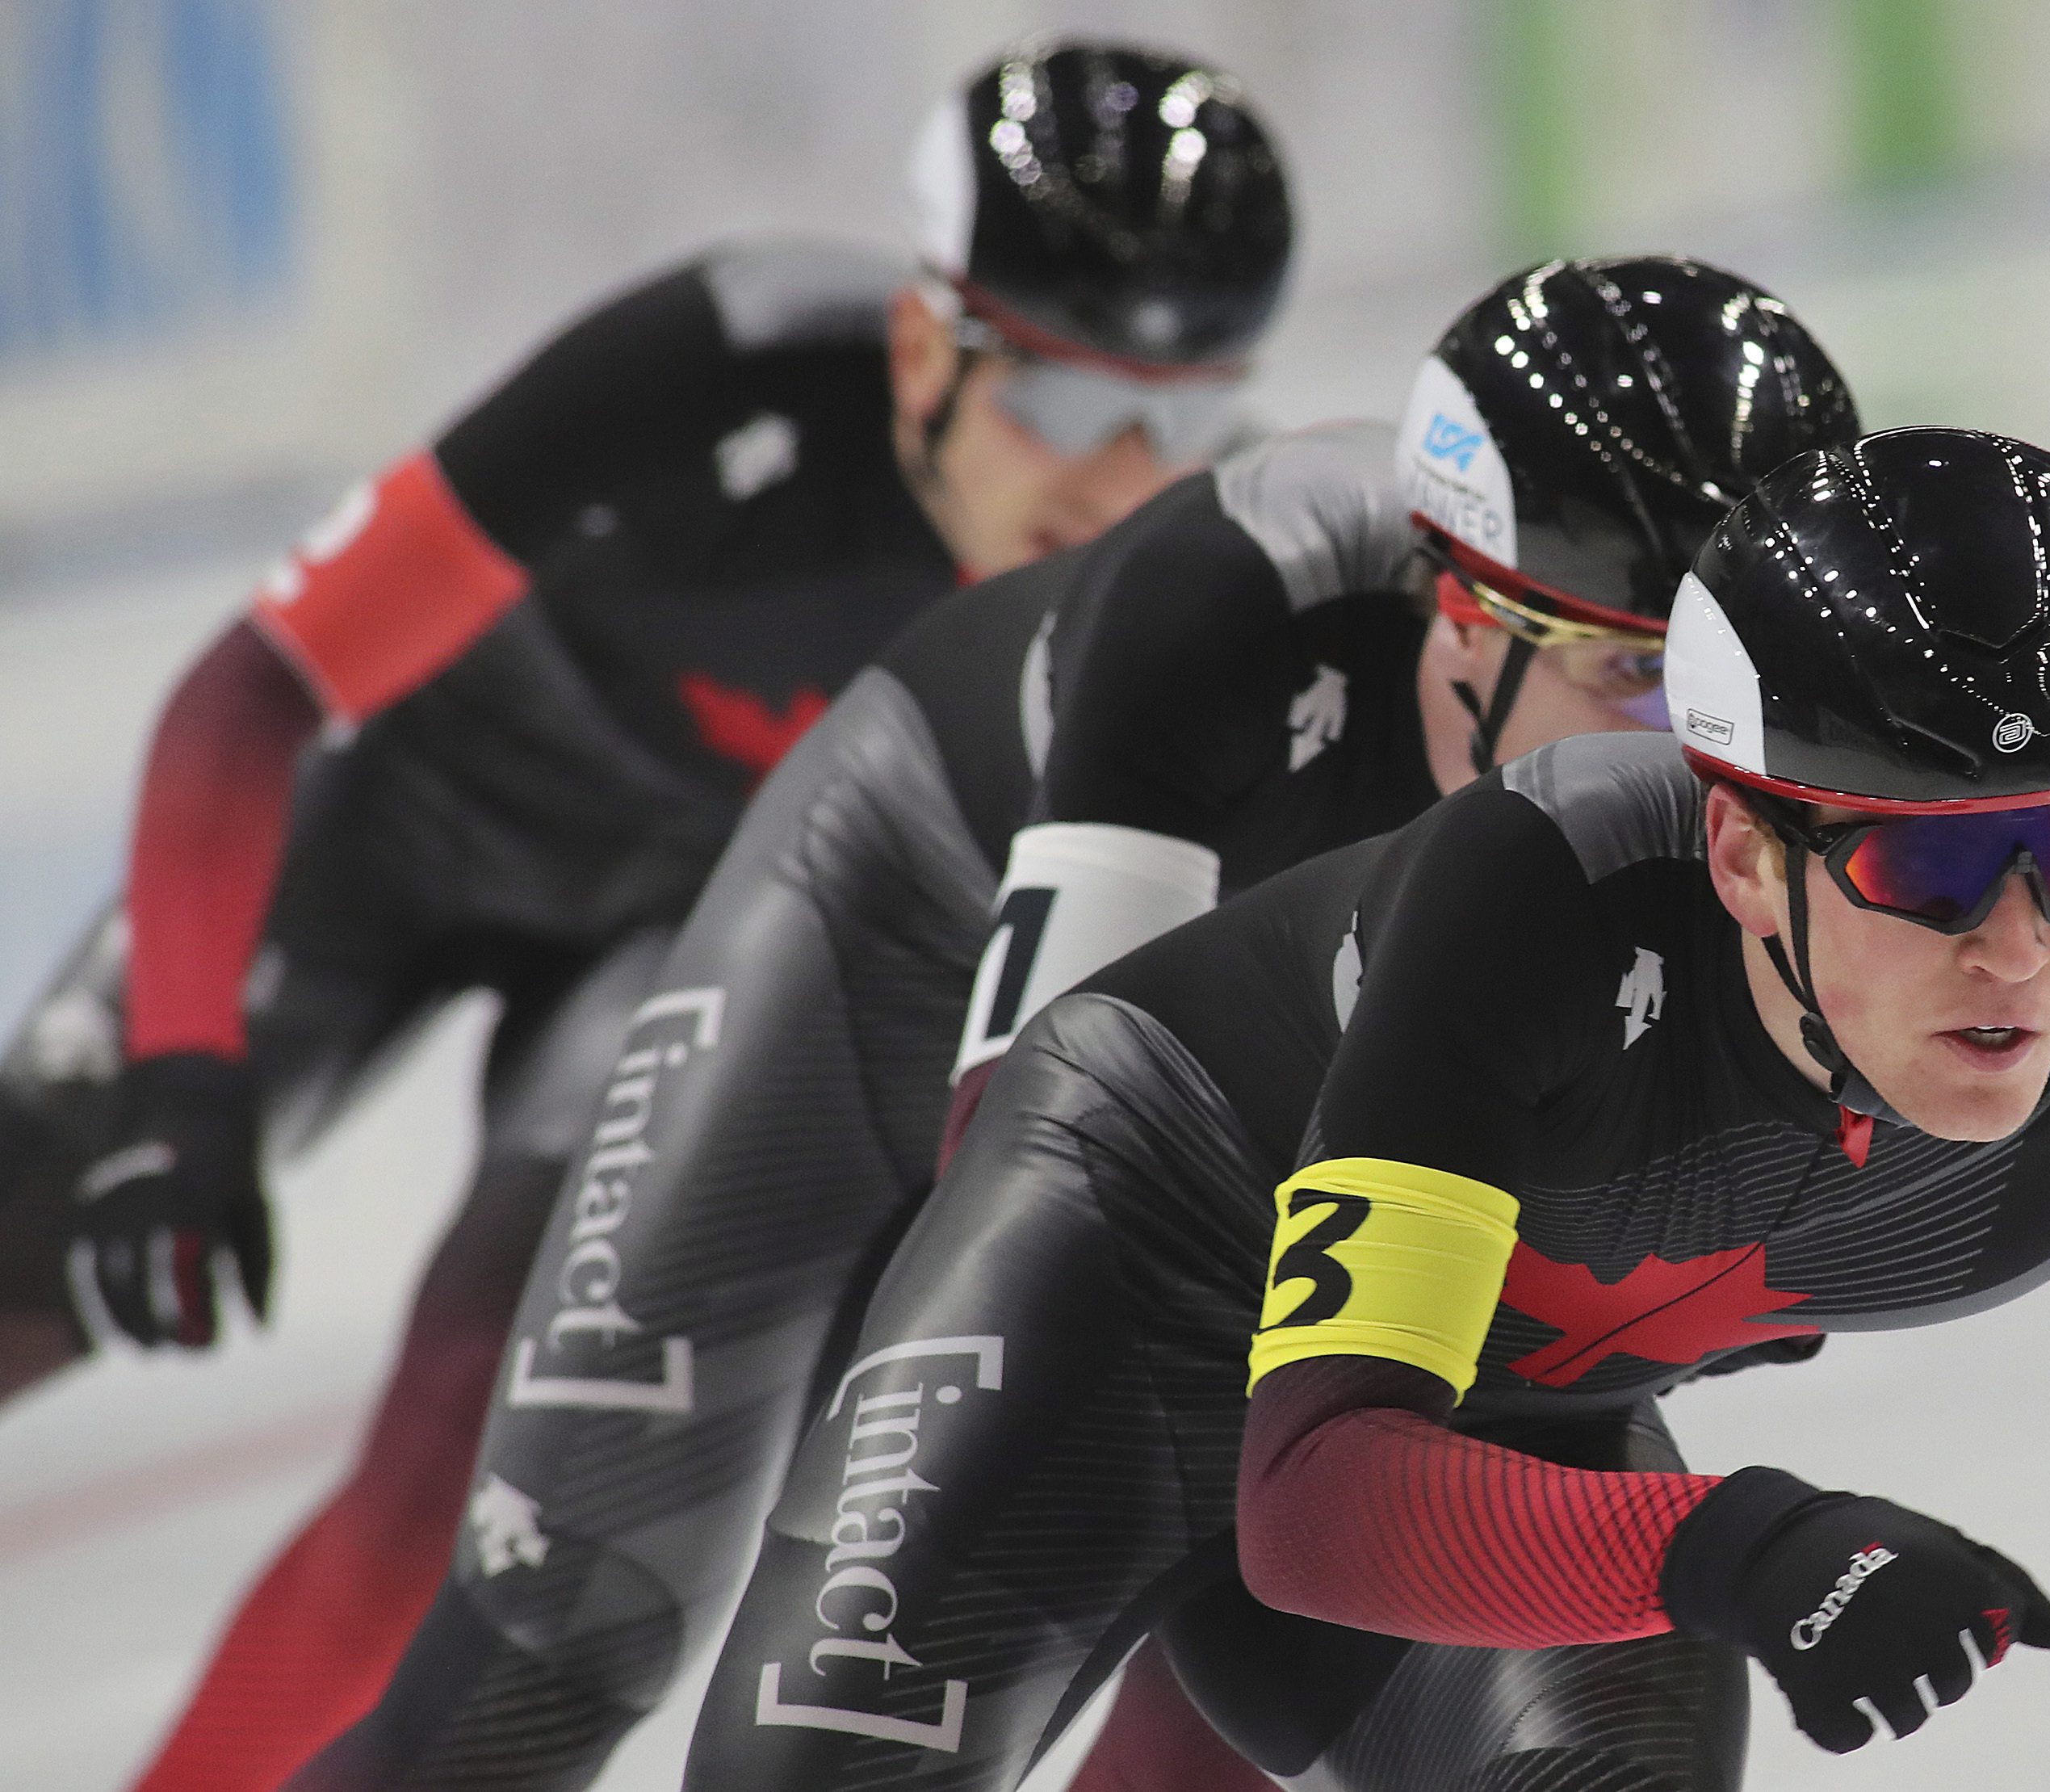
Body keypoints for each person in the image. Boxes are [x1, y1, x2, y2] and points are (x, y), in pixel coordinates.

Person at [285, 258, 1862, 1790]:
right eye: (1642, 679)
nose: (1706, 766)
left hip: (1222, 1118)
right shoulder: (1241, 594)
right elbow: (1035, 1170)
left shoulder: (1751, 826)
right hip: (890, 948)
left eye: (1754, 700)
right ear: (1458, 608)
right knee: (555, 1654)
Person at [0, 38, 1293, 1792]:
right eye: (1057, 404)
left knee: (471, 1447)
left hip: (682, 933)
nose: (1115, 474)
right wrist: (178, 1072)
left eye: (1188, 418)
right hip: (396, 822)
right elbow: (250, 696)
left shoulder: (1192, 584)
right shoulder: (713, 362)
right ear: (922, 342)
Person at [673, 426, 2050, 1790]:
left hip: (1474, 1415)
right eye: (1932, 861)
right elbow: (1317, 1503)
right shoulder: (1546, 890)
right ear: (1744, 852)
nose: (2019, 947)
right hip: (1116, 1286)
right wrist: (1742, 1546)